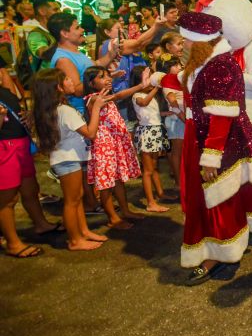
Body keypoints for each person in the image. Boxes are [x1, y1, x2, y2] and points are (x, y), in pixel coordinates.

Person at [176, 11, 252, 285]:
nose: (182, 45)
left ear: (199, 42)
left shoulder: (219, 66)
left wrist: (211, 157)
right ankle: (225, 242)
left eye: (186, 41)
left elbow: (221, 115)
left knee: (215, 199)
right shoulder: (206, 62)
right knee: (217, 197)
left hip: (215, 143)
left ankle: (217, 253)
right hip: (203, 138)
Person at [32, 69, 110, 251]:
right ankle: (75, 239)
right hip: (68, 160)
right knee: (72, 201)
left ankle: (83, 231)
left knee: (77, 197)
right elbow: (91, 133)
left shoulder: (55, 109)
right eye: (66, 78)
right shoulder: (65, 111)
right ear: (58, 87)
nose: (71, 81)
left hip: (66, 158)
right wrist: (97, 107)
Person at [0, 80, 63, 258]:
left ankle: (41, 224)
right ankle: (13, 243)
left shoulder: (5, 91)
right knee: (7, 199)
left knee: (31, 189)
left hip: (21, 145)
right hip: (4, 148)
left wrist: (27, 116)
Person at [82, 66, 145, 227]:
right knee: (106, 185)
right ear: (91, 83)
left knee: (118, 181)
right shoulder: (93, 99)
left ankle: (125, 211)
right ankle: (112, 218)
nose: (108, 79)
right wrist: (139, 86)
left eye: (108, 76)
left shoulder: (105, 97)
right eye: (102, 77)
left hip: (114, 144)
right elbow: (117, 96)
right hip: (104, 146)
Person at [49, 13, 118, 114]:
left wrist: (112, 53)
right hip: (82, 114)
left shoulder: (74, 52)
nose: (82, 30)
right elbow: (76, 90)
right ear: (65, 33)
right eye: (77, 28)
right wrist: (100, 81)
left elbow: (95, 65)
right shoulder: (63, 59)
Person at [130, 66, 172, 212]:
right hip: (146, 133)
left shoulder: (150, 96)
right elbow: (143, 103)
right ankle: (150, 203)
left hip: (155, 132)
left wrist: (167, 113)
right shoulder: (136, 95)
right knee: (147, 170)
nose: (152, 82)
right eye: (149, 79)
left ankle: (160, 193)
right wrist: (156, 88)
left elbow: (153, 112)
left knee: (154, 168)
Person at [26, 0, 58, 73]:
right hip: (47, 81)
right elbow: (43, 54)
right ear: (42, 11)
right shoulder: (35, 35)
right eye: (55, 9)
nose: (60, 12)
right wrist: (64, 41)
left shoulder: (53, 32)